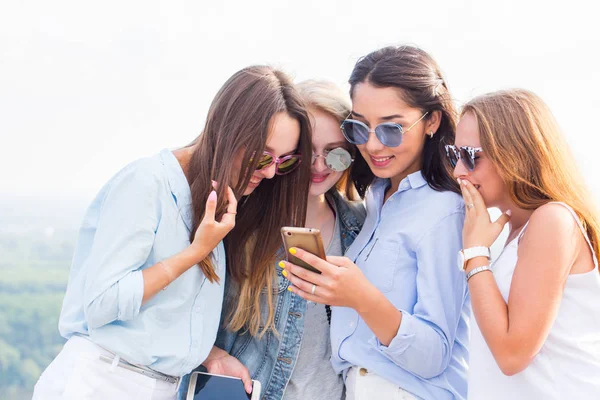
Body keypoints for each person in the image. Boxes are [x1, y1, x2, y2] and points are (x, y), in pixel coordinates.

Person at [33, 65, 312, 400]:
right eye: (261, 157)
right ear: (227, 132)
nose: (269, 174)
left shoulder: (220, 203)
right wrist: (195, 252)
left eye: (284, 162)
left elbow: (162, 316)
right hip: (101, 381)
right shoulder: (148, 182)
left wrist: (211, 355)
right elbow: (101, 304)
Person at [281, 46, 470, 400]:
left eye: (391, 129)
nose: (372, 144)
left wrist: (361, 297)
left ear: (432, 121)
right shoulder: (377, 201)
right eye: (359, 128)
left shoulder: (445, 210)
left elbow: (434, 355)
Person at [178, 79, 366, 400]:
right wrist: (211, 355)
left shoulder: (361, 227)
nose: (319, 166)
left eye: (336, 155)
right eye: (306, 153)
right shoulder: (236, 219)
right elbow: (176, 308)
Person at [449, 89, 600, 399]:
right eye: (454, 154)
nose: (458, 171)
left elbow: (511, 355)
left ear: (514, 153)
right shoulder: (511, 233)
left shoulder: (552, 220)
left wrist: (475, 253)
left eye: (470, 156)